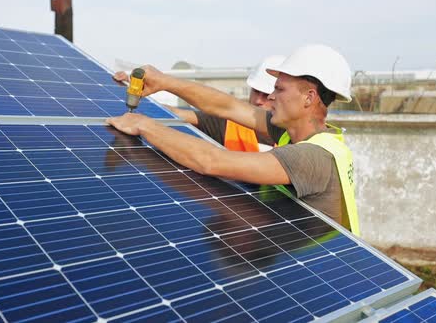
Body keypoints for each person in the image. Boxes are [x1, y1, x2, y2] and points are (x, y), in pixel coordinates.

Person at [108, 44, 360, 236]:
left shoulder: (311, 157)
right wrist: (164, 82)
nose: (271, 96)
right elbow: (228, 107)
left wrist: (145, 125)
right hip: (301, 262)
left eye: (279, 89)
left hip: (318, 278)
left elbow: (211, 161)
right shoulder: (295, 133)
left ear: (309, 97)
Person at [163, 55, 285, 152]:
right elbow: (178, 114)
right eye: (255, 91)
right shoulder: (229, 122)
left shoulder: (294, 136)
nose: (258, 100)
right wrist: (147, 106)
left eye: (266, 95)